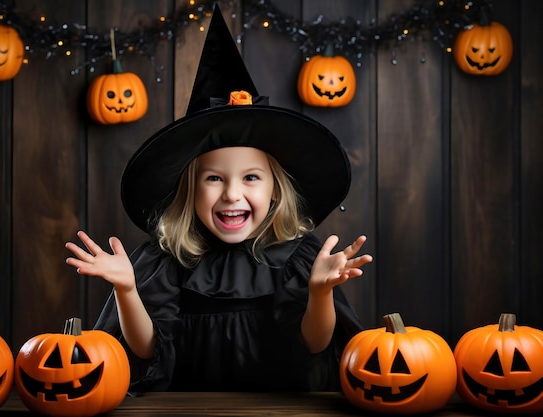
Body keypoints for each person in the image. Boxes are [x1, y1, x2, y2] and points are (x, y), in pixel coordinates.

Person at [65, 5, 372, 393]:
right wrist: (127, 290)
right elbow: (147, 350)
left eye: (251, 178)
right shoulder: (164, 262)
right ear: (190, 189)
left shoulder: (300, 259)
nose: (231, 193)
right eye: (213, 178)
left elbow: (315, 345)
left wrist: (319, 292)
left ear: (274, 190)